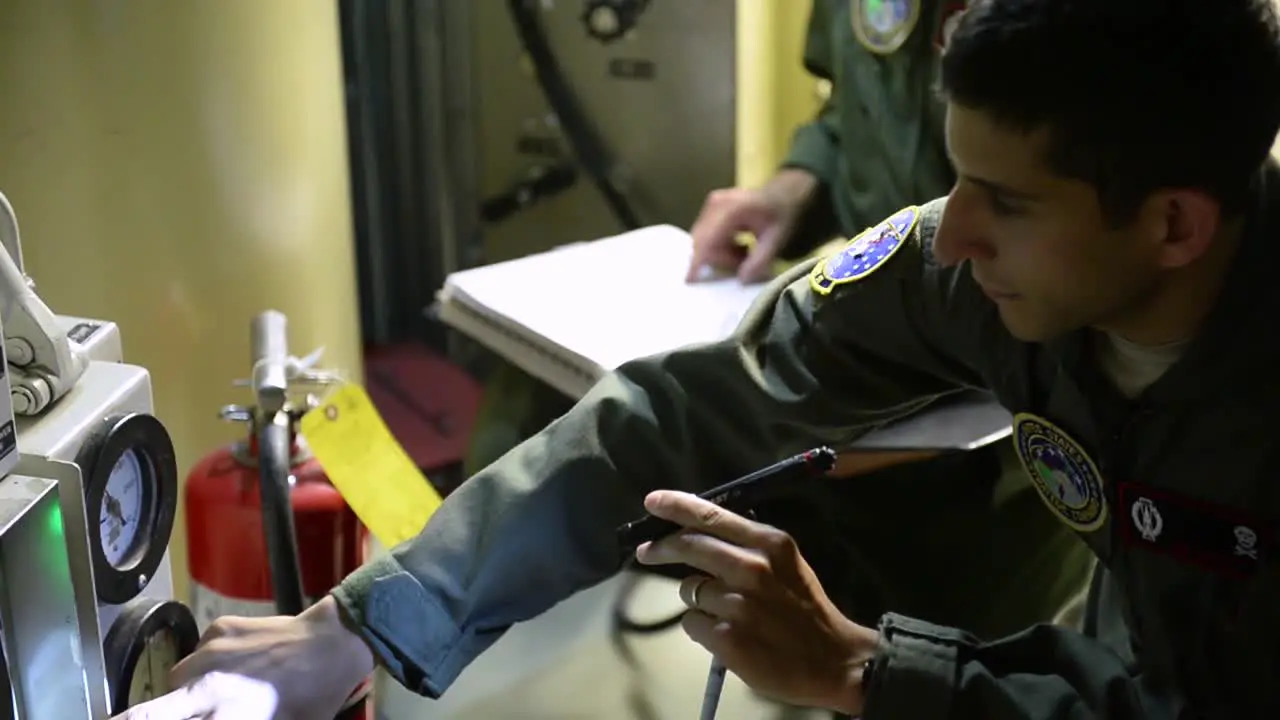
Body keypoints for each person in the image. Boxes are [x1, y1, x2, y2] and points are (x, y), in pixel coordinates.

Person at [119, 0, 1280, 717]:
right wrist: (366, 625)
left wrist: (873, 674)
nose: (952, 233)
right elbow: (689, 411)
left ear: (1172, 224)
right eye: (955, 176)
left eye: (1007, 203)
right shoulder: (963, 258)